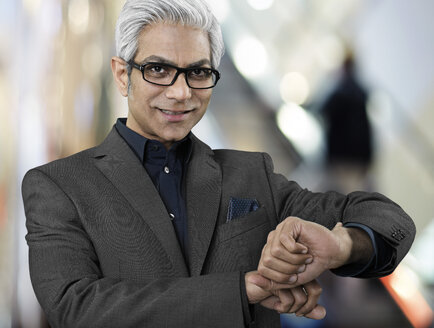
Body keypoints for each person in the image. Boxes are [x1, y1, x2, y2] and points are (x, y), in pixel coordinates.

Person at [21, 1, 415, 327]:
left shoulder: (251, 174)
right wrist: (242, 290)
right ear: (124, 76)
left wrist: (341, 244)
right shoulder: (59, 186)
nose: (180, 92)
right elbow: (76, 308)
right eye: (158, 70)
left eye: (198, 72)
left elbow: (391, 220)